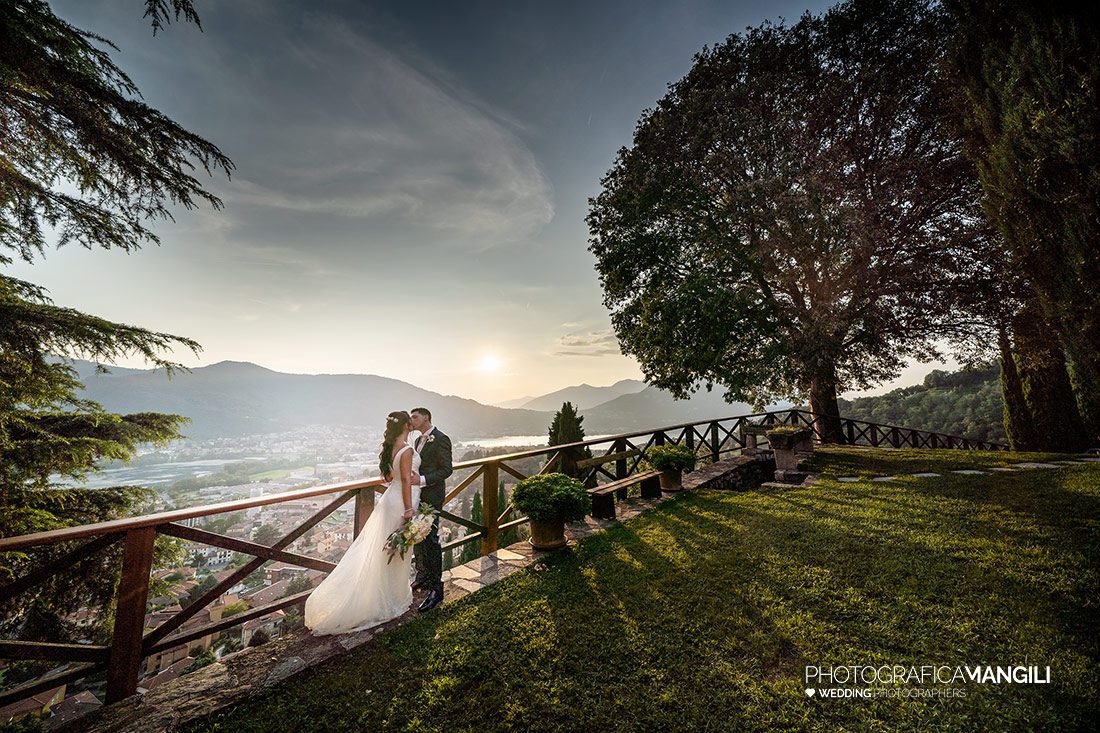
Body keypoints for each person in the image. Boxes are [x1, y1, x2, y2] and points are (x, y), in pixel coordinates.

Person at [304, 411, 422, 634]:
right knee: (396, 549)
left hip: (390, 499)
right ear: (407, 425)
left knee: (387, 548)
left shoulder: (390, 448)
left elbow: (388, 478)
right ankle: (389, 596)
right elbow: (406, 480)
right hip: (401, 501)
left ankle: (385, 593)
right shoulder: (406, 450)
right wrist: (408, 509)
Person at [409, 406, 453, 612]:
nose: (412, 420)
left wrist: (422, 480)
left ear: (426, 417)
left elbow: (446, 470)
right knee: (418, 537)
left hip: (432, 498)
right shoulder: (417, 441)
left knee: (431, 539)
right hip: (417, 498)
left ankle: (437, 589)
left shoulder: (441, 438)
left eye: (415, 417)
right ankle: (423, 577)